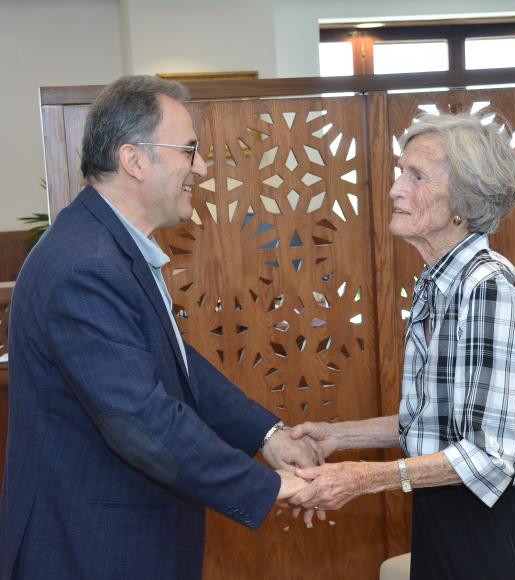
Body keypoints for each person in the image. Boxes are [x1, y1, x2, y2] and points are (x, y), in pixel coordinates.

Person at [0, 75, 320, 580]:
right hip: (91, 549)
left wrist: (267, 435)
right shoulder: (87, 265)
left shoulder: (104, 244)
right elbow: (140, 421)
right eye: (189, 151)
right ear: (135, 160)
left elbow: (175, 361)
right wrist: (269, 487)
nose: (202, 167)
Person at [288, 113, 515, 579]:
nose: (395, 189)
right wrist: (342, 436)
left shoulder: (487, 287)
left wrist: (364, 478)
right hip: (447, 509)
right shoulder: (438, 281)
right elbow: (440, 419)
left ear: (464, 201)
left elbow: (489, 452)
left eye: (415, 176)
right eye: (400, 173)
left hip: (501, 525)